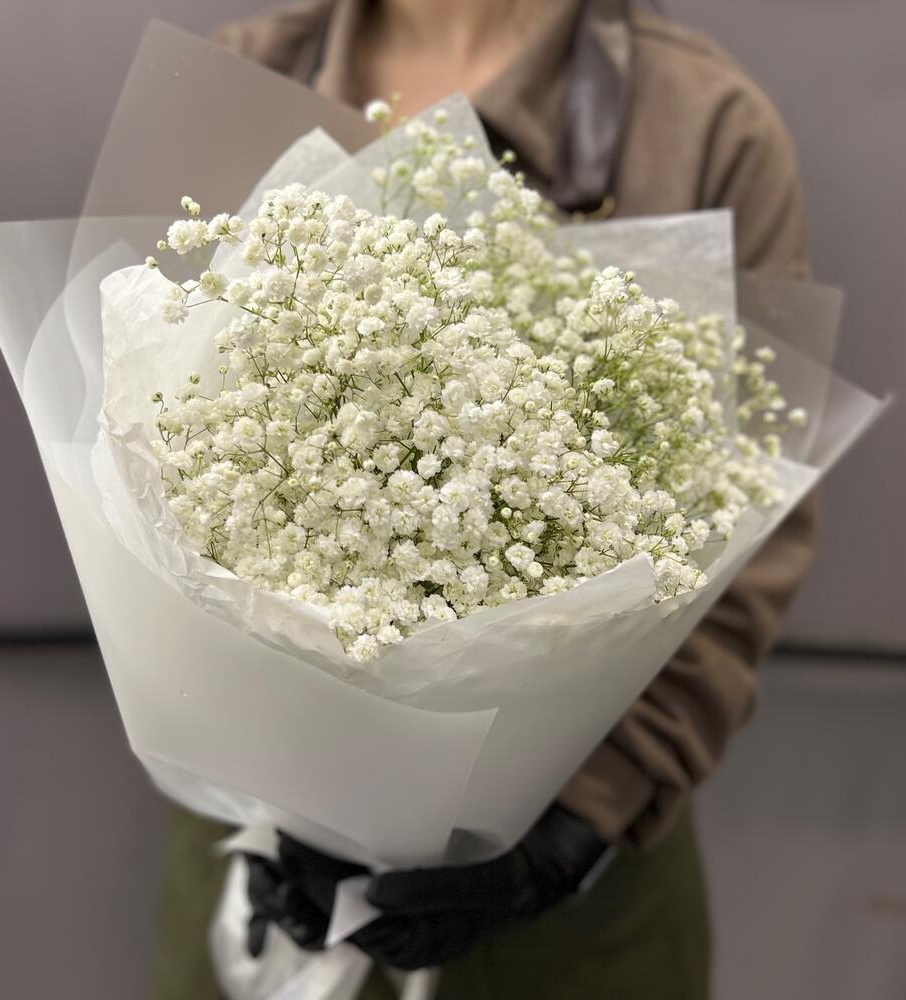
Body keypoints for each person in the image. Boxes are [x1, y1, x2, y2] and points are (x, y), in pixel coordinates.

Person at [153, 2, 817, 997]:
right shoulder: (237, 81)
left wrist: (574, 823)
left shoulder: (704, 124)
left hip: (568, 912)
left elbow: (749, 539)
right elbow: (143, 439)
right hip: (261, 864)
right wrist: (263, 776)